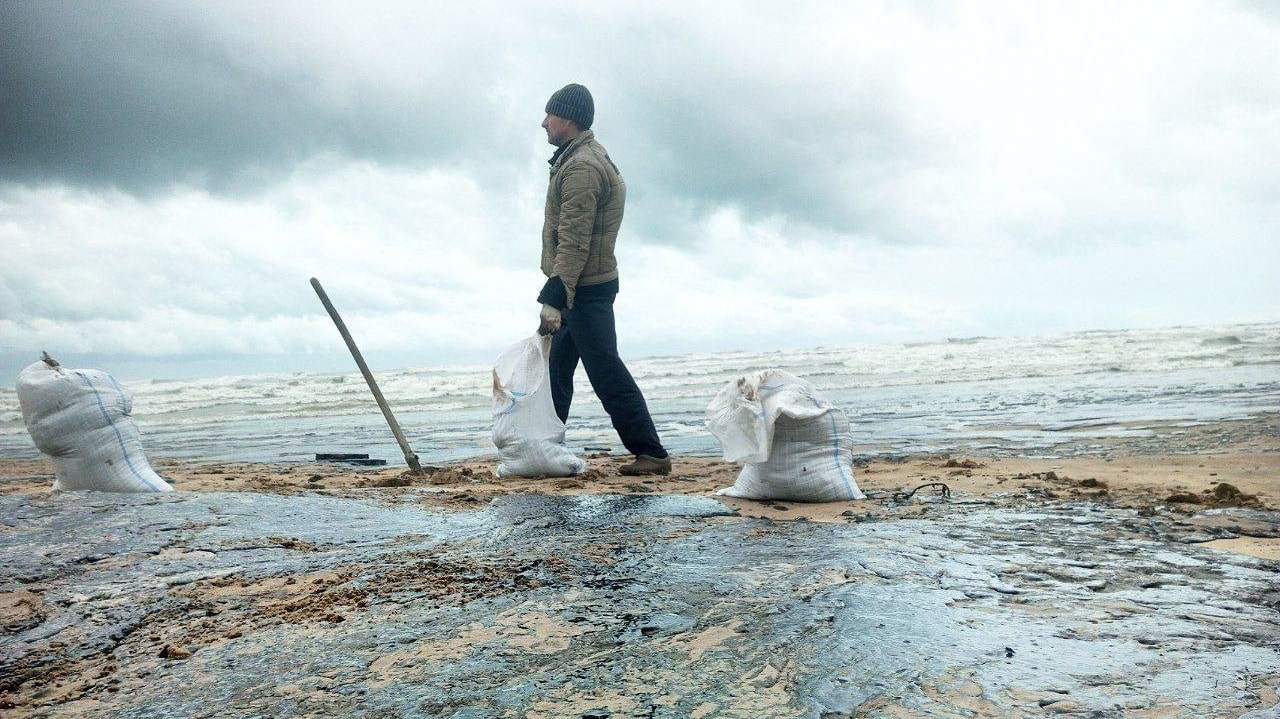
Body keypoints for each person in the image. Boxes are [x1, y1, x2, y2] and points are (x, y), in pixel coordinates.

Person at [535, 83, 671, 476]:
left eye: (550, 115)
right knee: (555, 371)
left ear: (570, 119)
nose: (544, 122)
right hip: (585, 283)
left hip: (584, 289)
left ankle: (651, 452)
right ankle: (544, 447)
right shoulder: (579, 157)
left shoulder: (581, 167)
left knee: (605, 371)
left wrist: (556, 295)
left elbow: (575, 239)